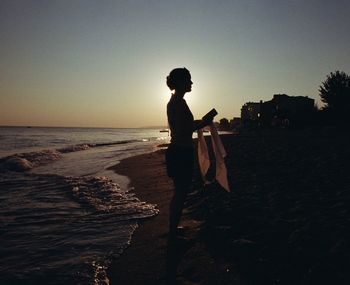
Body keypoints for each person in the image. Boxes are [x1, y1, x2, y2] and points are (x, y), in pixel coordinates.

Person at [165, 68, 212, 239]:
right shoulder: (178, 102)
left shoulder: (175, 101)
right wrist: (203, 123)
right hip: (180, 151)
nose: (191, 83)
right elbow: (183, 130)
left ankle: (173, 228)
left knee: (180, 191)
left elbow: (183, 126)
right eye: (188, 80)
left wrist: (200, 122)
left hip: (178, 150)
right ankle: (173, 232)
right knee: (181, 192)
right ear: (179, 82)